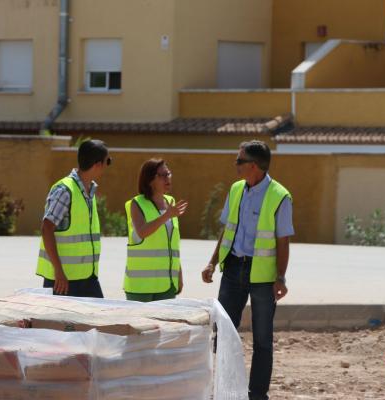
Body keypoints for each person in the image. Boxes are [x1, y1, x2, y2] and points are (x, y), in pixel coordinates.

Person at [201, 140, 294, 400]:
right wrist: (212, 261)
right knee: (221, 333)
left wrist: (280, 277)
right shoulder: (236, 189)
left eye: (239, 161)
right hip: (232, 269)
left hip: (263, 277)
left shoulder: (280, 196)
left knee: (263, 340)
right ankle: (223, 389)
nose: (235, 165)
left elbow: (283, 240)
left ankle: (257, 395)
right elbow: (227, 229)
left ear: (253, 166)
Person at [36, 139, 111, 297]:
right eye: (107, 161)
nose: (107, 166)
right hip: (63, 280)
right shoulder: (65, 190)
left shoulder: (88, 190)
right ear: (98, 164)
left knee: (96, 319)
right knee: (61, 322)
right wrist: (59, 271)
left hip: (87, 278)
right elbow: (47, 228)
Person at [124, 159, 188, 302]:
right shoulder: (137, 203)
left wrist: (179, 273)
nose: (168, 178)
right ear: (150, 180)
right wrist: (167, 215)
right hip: (140, 286)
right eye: (163, 175)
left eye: (169, 174)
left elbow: (172, 243)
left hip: (166, 284)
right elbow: (142, 232)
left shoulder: (171, 202)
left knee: (165, 325)